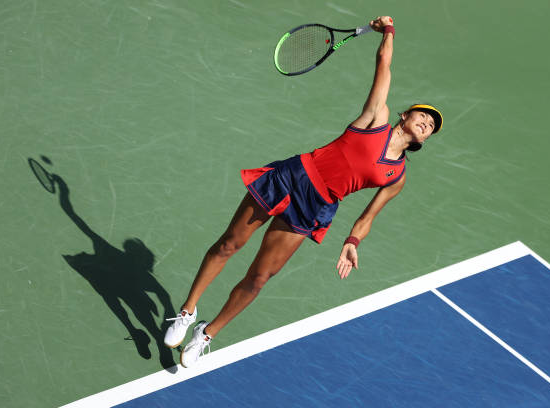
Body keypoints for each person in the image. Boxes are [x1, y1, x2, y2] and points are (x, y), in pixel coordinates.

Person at [164, 15, 444, 367]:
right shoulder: (376, 117)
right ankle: (188, 310)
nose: (426, 123)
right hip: (293, 176)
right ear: (405, 114)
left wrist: (352, 243)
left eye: (431, 127)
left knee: (259, 278)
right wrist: (388, 29)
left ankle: (207, 333)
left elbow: (367, 216)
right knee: (230, 243)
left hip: (316, 207)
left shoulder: (397, 175)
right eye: (423, 116)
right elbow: (383, 64)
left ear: (425, 139)